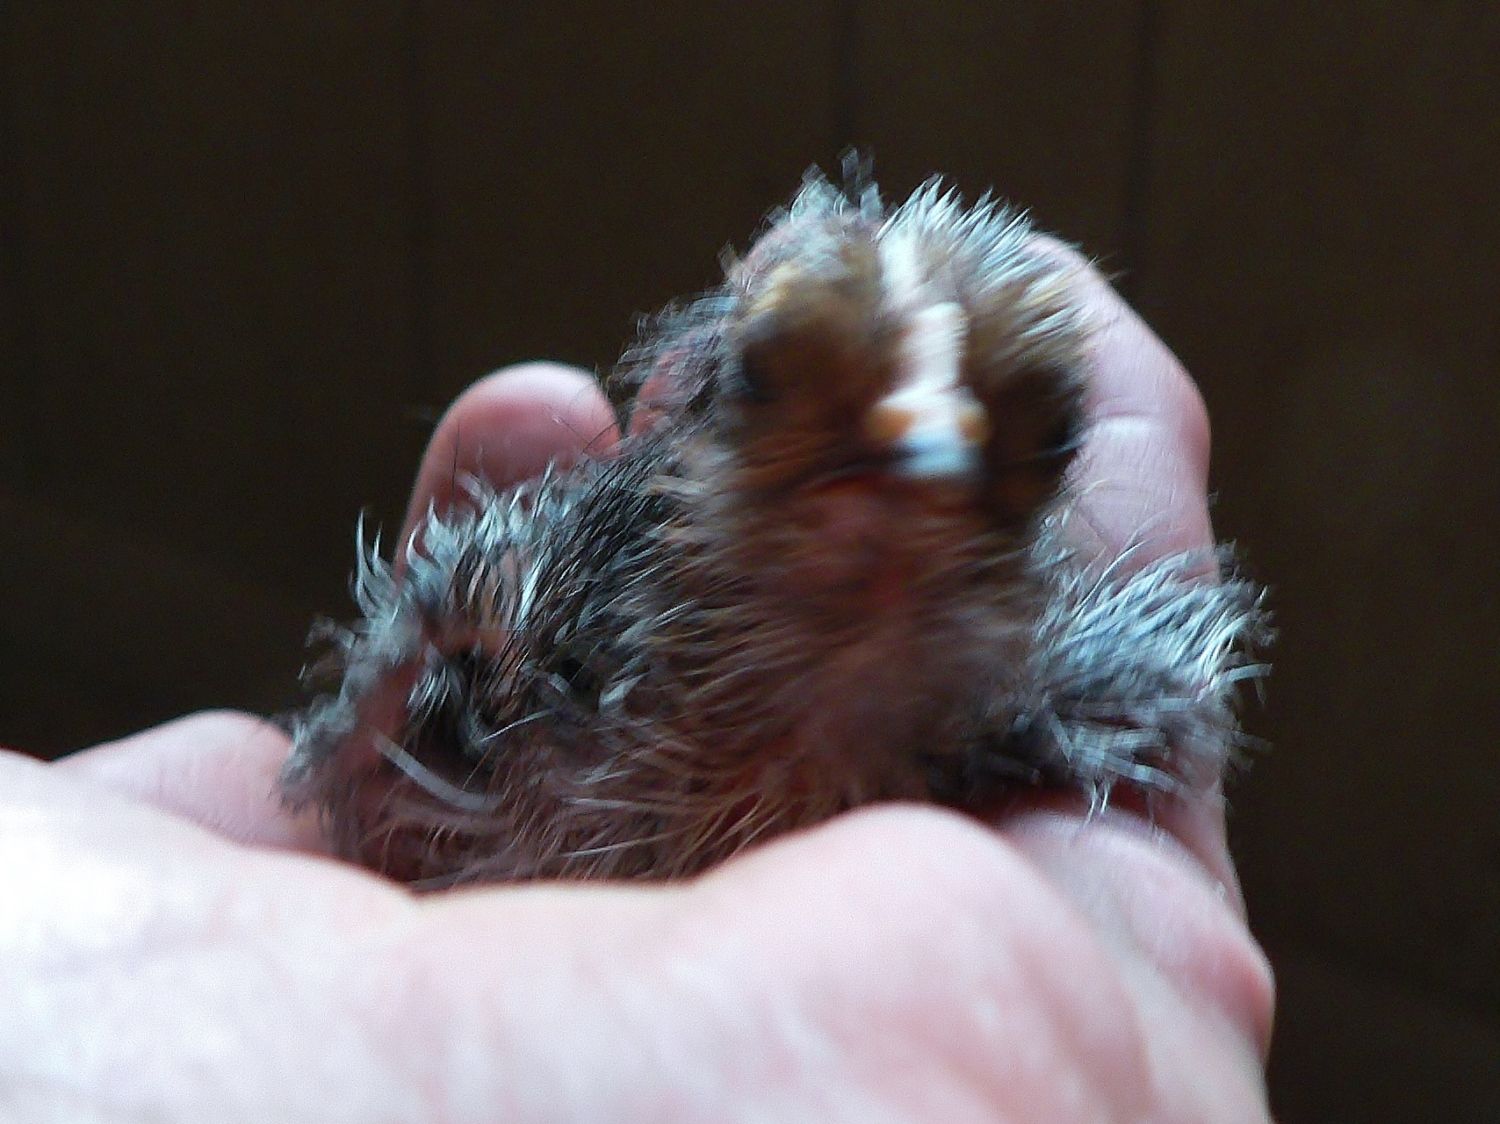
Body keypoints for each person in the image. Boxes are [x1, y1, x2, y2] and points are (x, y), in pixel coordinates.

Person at [2, 248, 1273, 1121]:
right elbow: (437, 617)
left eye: (1019, 439)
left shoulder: (1061, 697)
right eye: (785, 392)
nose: (901, 470)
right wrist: (345, 772)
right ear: (716, 416)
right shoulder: (562, 616)